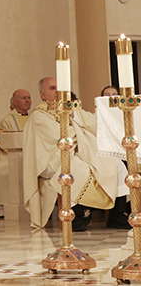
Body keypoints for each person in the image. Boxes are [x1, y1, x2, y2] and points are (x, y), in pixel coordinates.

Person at [23, 77, 124, 230]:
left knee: (115, 163)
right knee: (78, 169)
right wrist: (80, 132)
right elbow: (59, 137)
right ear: (42, 95)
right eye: (52, 88)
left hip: (78, 151)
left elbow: (92, 123)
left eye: (60, 87)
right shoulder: (40, 115)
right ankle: (78, 214)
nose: (57, 91)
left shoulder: (70, 107)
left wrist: (75, 116)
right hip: (52, 157)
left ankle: (116, 214)